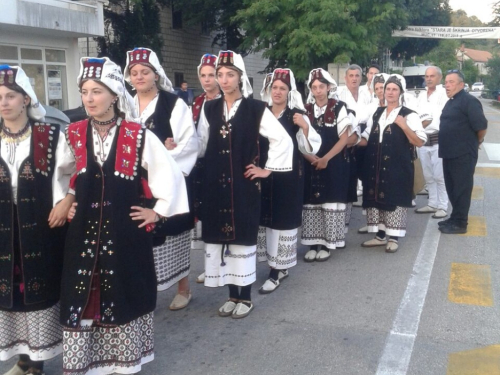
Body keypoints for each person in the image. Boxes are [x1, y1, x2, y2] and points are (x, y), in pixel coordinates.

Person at [60, 57, 189, 375]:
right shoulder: (74, 133)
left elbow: (169, 175)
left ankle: (123, 365)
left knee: (124, 293)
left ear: (115, 94)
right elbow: (60, 174)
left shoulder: (137, 134)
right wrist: (66, 200)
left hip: (125, 236)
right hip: (84, 238)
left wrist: (157, 211)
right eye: (85, 92)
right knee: (85, 298)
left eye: (97, 91)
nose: (89, 98)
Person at [197, 50, 293, 318]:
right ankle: (231, 294)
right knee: (222, 241)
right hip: (216, 186)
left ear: (240, 78)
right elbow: (201, 144)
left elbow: (282, 139)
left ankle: (245, 298)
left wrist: (266, 170)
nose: (224, 80)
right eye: (220, 75)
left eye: (230, 75)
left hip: (243, 185)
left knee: (242, 239)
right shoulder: (210, 108)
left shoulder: (255, 109)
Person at [0, 65, 75, 375]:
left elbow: (71, 173)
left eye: (10, 96)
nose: (4, 102)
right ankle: (22, 358)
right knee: (12, 292)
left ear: (26, 99)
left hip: (42, 225)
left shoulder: (50, 134)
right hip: (4, 227)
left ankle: (37, 362)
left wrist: (66, 201)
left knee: (38, 291)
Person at [124, 47, 198, 310]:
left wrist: (166, 156)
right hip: (133, 182)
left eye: (145, 72)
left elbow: (188, 142)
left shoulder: (173, 103)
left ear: (156, 75)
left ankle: (184, 288)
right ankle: (143, 289)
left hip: (167, 178)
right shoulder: (125, 103)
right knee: (139, 237)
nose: (140, 77)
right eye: (134, 73)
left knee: (172, 231)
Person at [257, 68, 321, 293]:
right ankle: (276, 265)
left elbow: (309, 146)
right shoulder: (261, 112)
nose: (277, 91)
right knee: (267, 220)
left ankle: (276, 271)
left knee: (282, 221)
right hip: (264, 175)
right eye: (274, 87)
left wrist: (304, 126)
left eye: (282, 88)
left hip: (288, 177)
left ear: (288, 91)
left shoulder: (295, 115)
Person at [359, 74, 427, 252]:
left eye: (394, 89)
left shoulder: (409, 115)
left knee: (394, 197)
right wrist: (346, 142)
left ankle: (394, 237)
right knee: (377, 197)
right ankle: (380, 236)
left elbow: (419, 141)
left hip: (398, 165)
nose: (390, 92)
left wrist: (404, 126)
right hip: (376, 163)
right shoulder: (377, 113)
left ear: (400, 92)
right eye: (387, 89)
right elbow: (366, 136)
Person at [301, 68, 354, 262]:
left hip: (334, 162)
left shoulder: (339, 107)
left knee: (329, 199)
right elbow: (300, 138)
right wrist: (311, 158)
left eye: (321, 86)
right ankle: (313, 243)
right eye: (314, 87)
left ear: (329, 87)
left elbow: (344, 138)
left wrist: (326, 159)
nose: (318, 91)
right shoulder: (306, 109)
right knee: (312, 201)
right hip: (311, 162)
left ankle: (326, 243)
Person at [438, 69, 487, 234]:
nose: (447, 85)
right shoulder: (451, 101)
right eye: (446, 82)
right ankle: (455, 217)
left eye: (451, 82)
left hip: (463, 154)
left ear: (461, 84)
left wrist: (477, 142)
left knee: (461, 189)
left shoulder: (469, 101)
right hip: (449, 153)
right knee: (452, 188)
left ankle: (460, 223)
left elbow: (481, 126)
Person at [191, 54, 221, 284]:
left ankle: (223, 264)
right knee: (206, 217)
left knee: (222, 214)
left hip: (221, 163)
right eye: (203, 75)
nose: (207, 80)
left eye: (212, 75)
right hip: (200, 166)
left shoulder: (226, 101)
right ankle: (211, 264)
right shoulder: (198, 102)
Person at [415, 66, 449, 219]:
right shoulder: (421, 96)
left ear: (439, 78)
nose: (428, 79)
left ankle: (443, 205)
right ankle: (432, 203)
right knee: (428, 175)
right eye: (426, 76)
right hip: (423, 140)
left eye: (432, 76)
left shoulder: (444, 94)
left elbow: (435, 118)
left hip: (438, 139)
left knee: (439, 175)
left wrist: (422, 124)